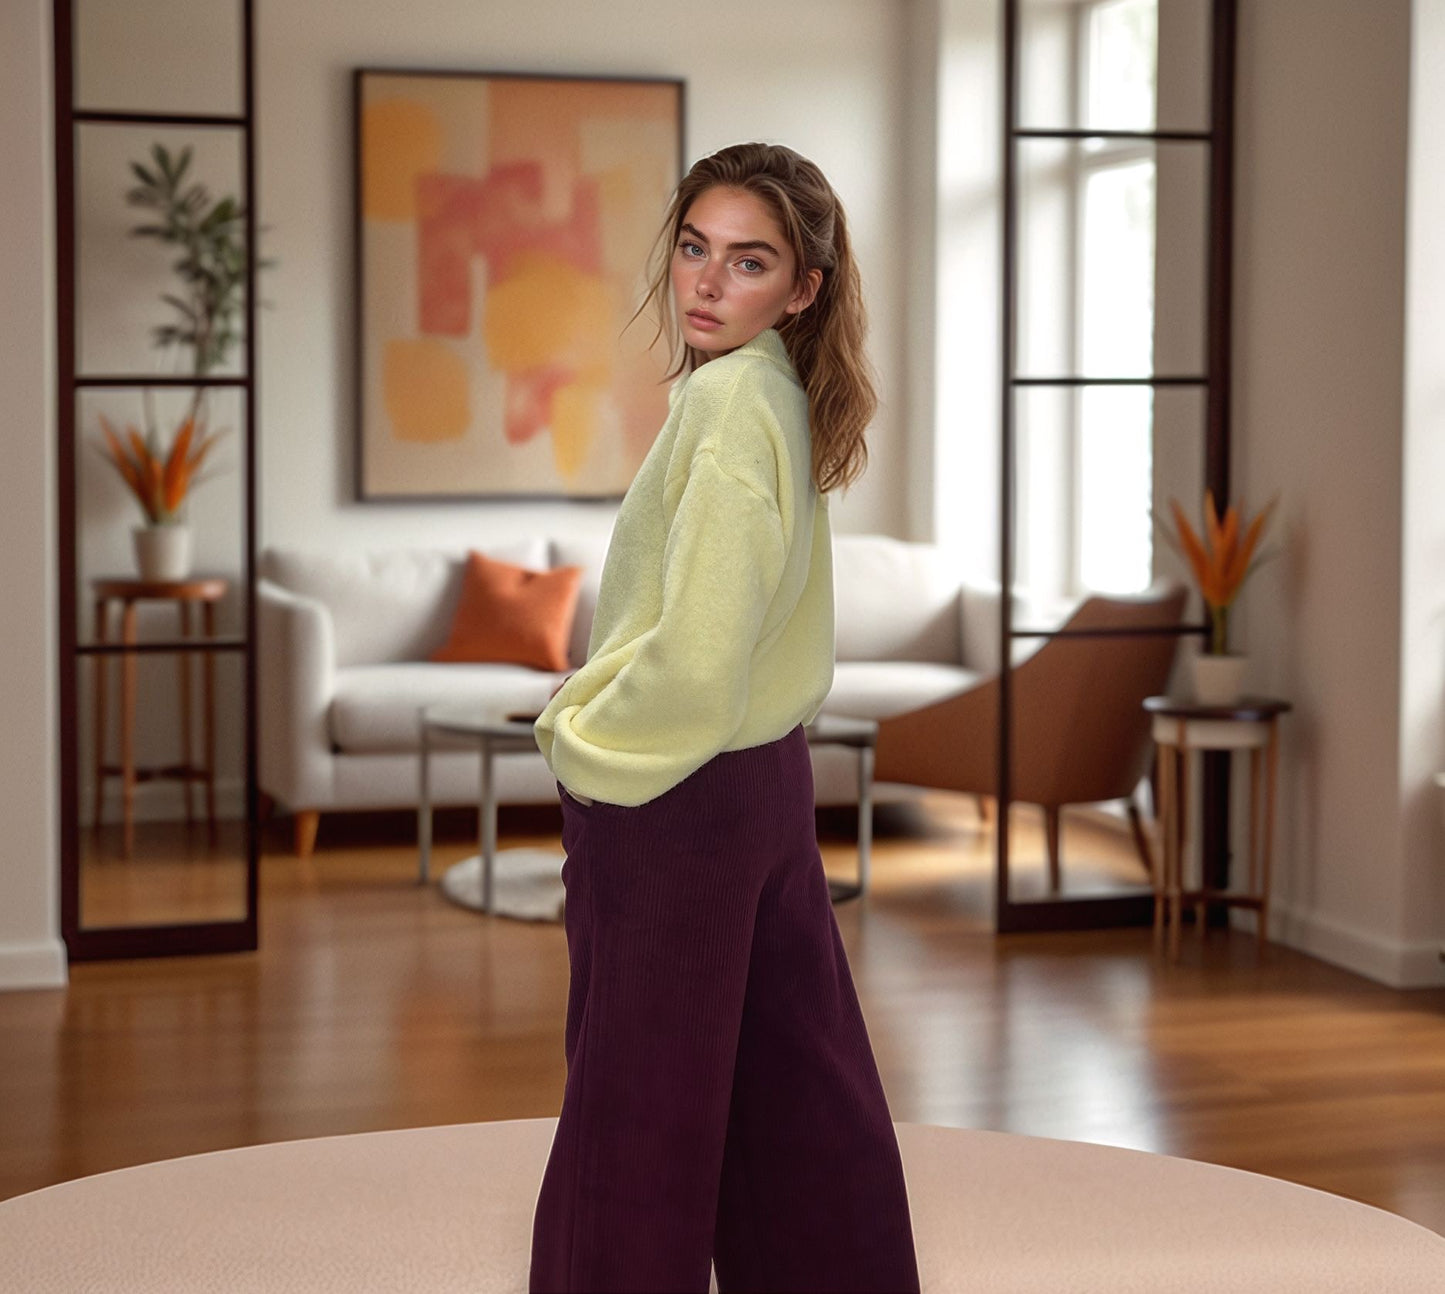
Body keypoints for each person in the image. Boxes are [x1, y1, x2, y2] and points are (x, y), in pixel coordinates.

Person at [528, 141, 921, 1294]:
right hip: (762, 786)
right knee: (796, 1098)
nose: (706, 283)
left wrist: (576, 737)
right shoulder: (774, 395)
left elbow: (697, 661)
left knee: (633, 1123)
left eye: (747, 263)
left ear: (802, 288)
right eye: (695, 250)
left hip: (678, 799)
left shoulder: (731, 405)